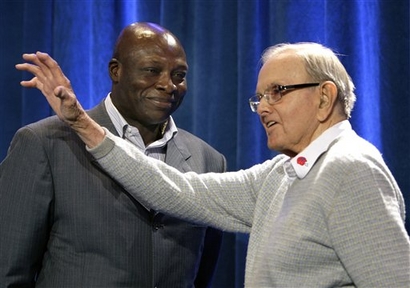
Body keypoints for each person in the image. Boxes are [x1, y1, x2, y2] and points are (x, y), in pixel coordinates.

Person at [16, 42, 410, 287]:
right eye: (260, 98)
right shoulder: (281, 174)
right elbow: (177, 189)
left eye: (278, 92)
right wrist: (83, 123)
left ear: (325, 97)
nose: (264, 108)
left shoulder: (351, 169)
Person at [1, 22, 227, 287]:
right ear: (116, 71)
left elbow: (202, 274)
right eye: (152, 71)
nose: (168, 85)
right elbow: (8, 272)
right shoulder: (44, 144)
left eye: (179, 75)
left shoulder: (210, 161)